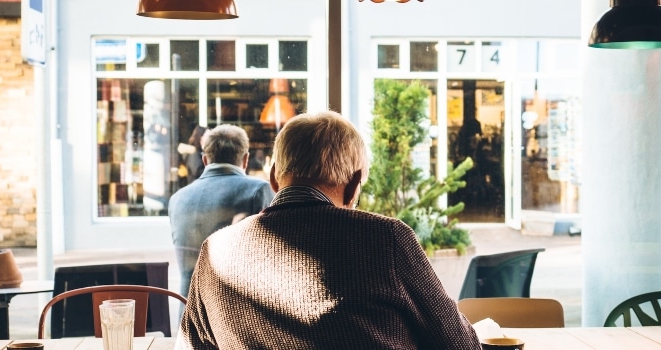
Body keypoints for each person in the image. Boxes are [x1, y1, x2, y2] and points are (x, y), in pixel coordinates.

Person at [177, 111, 481, 349]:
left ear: (273, 178)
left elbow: (192, 345)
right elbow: (459, 345)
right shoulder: (386, 240)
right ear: (352, 187)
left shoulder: (215, 251)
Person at [168, 124, 275, 298]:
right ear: (246, 159)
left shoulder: (177, 199)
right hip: (235, 314)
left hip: (188, 313)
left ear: (204, 160)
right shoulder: (258, 191)